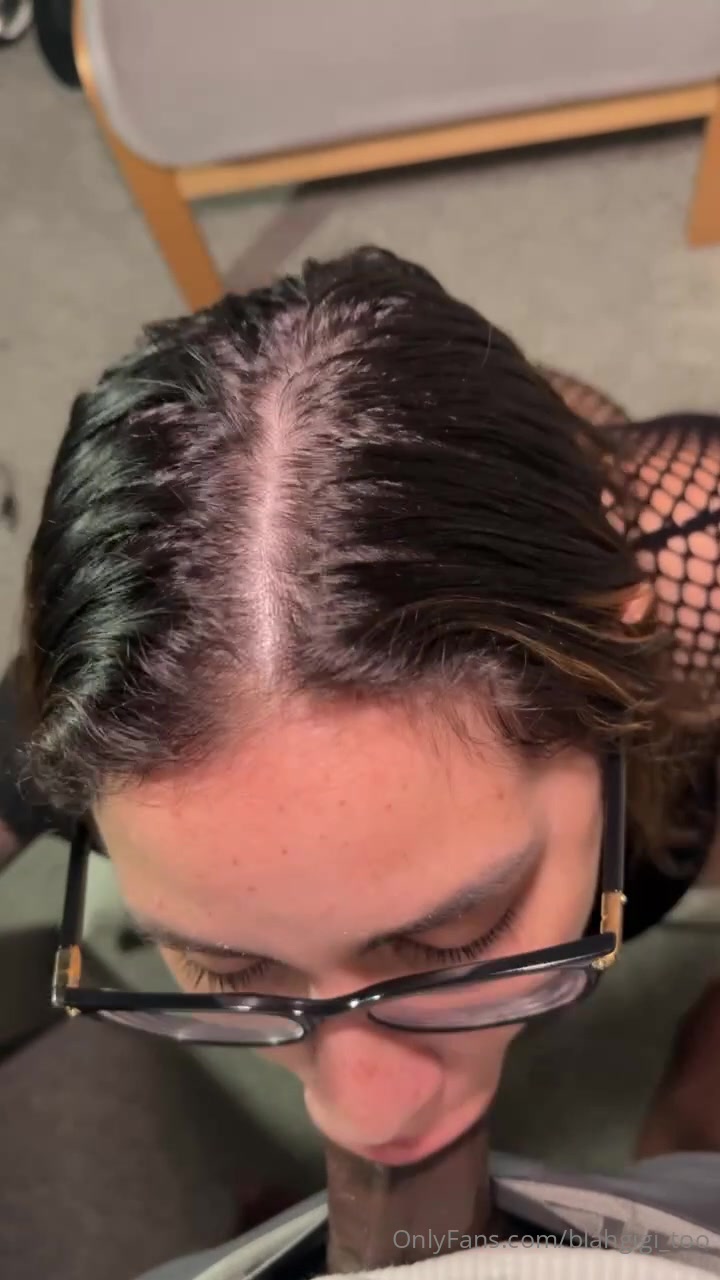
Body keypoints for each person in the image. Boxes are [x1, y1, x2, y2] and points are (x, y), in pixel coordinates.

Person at [3, 246, 720, 1170]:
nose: (359, 1119)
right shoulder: (105, 707)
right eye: (226, 968)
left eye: (456, 934)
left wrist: (690, 1112)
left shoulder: (702, 579)